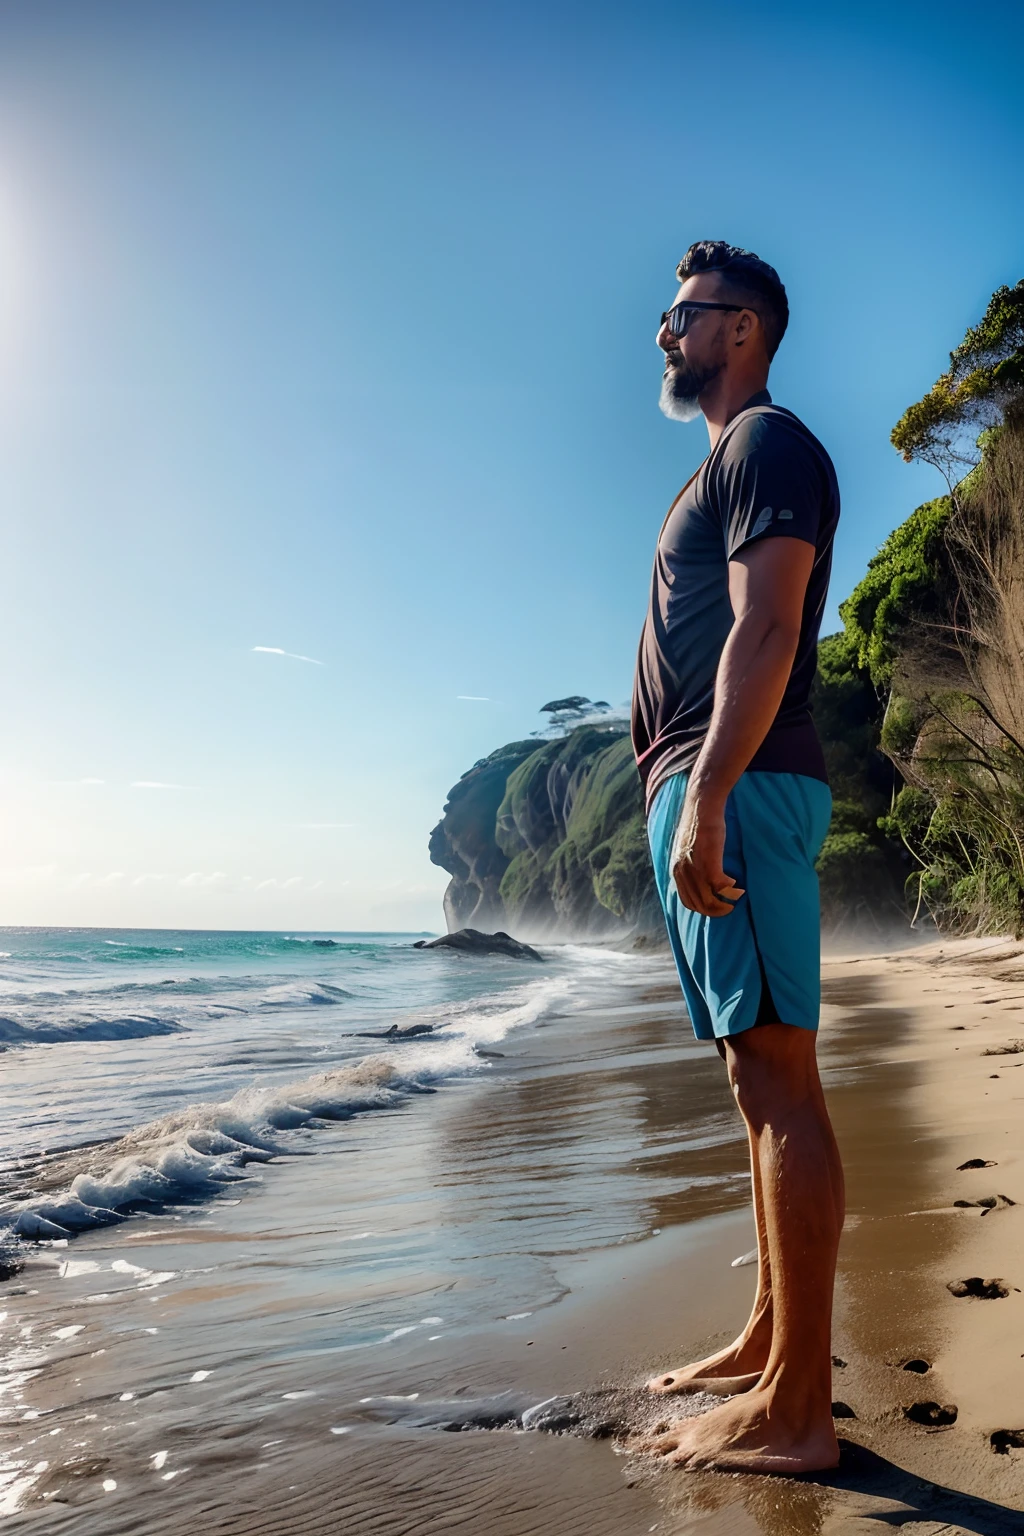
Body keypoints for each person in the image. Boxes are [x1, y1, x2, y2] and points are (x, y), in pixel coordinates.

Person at [630, 241, 843, 1474]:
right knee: (748, 1075)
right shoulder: (721, 462)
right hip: (706, 786)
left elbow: (768, 623)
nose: (664, 332)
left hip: (743, 783)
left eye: (683, 314)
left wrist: (707, 790)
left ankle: (799, 1413)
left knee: (777, 1078)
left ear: (743, 328)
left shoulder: (767, 444)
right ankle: (770, 1340)